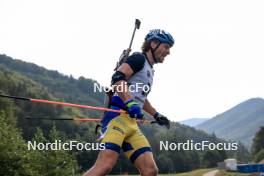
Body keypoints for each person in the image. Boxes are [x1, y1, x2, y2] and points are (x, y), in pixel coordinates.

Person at [84, 29, 174, 176]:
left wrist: (157, 115)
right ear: (154, 43)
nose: (168, 52)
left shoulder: (150, 70)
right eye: (166, 47)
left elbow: (141, 98)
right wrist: (130, 103)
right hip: (117, 119)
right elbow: (118, 78)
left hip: (131, 124)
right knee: (104, 166)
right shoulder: (138, 59)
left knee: (150, 171)